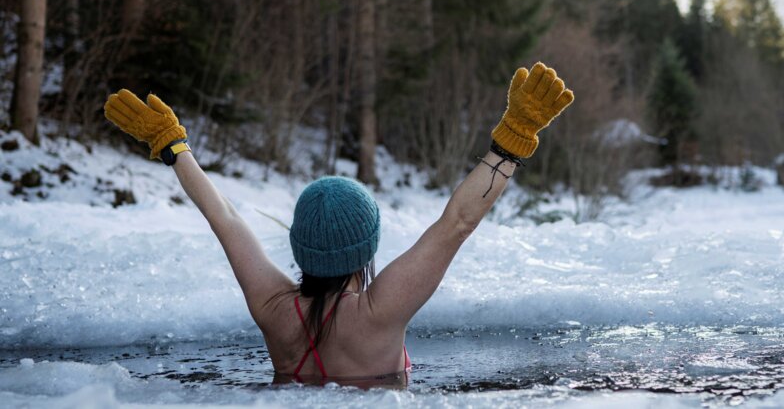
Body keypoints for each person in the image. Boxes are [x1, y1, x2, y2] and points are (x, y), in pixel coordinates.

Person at [103, 62, 573, 388]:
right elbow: (457, 222)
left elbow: (223, 216)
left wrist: (173, 146)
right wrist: (512, 141)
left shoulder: (273, 310)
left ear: (300, 244)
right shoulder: (380, 314)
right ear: (367, 249)